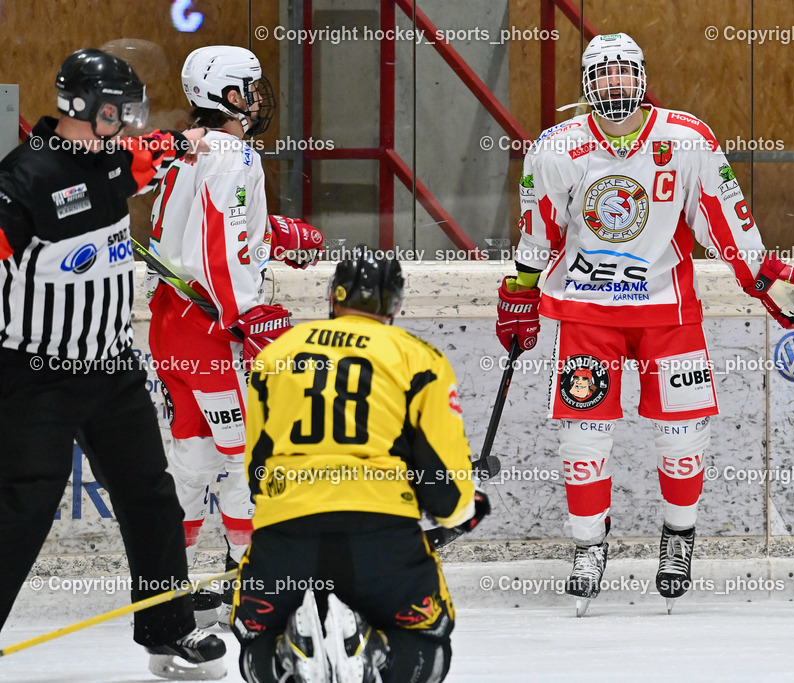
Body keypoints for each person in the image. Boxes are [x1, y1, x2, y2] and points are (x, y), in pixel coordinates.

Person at [495, 33, 794, 615]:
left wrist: (762, 275)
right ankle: (588, 547)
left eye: (625, 73)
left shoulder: (686, 138)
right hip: (586, 314)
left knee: (682, 439)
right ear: (588, 85)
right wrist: (518, 297)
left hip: (666, 313)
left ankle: (678, 538)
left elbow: (723, 216)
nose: (616, 85)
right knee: (583, 439)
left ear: (642, 77)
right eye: (605, 75)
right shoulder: (556, 148)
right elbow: (537, 233)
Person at [0, 48, 227, 678]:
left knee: (150, 499)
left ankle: (166, 626)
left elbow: (154, 150)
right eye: (116, 112)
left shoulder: (109, 161)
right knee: (21, 510)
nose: (127, 123)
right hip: (36, 375)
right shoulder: (24, 179)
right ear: (83, 108)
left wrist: (193, 139)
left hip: (110, 370)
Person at [231, 249, 488, 683]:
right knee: (427, 637)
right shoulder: (418, 357)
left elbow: (258, 465)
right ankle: (373, 652)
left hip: (285, 535)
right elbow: (442, 476)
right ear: (396, 304)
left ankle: (288, 653)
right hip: (381, 538)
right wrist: (464, 511)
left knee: (256, 639)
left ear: (333, 296)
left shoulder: (276, 355)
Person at [147, 45, 324, 628]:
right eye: (247, 88)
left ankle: (166, 588)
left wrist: (272, 234)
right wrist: (246, 312)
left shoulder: (189, 149)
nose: (255, 99)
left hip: (173, 325)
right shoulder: (234, 153)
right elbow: (218, 246)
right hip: (212, 327)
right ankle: (251, 588)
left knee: (193, 461)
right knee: (248, 457)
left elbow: (196, 234)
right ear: (225, 95)